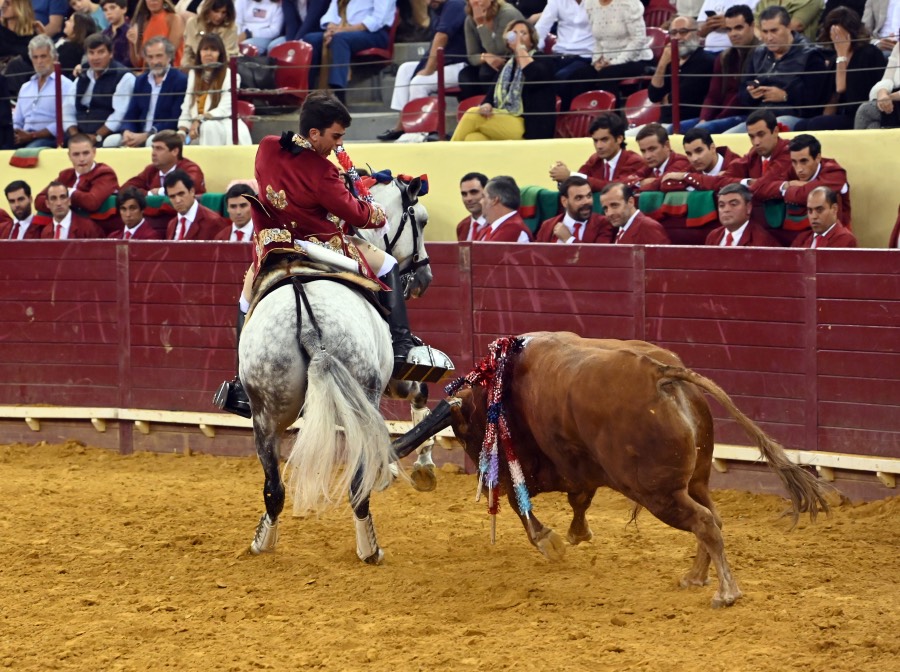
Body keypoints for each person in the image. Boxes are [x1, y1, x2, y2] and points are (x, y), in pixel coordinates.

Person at [216, 91, 424, 417]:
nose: (339, 144)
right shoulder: (322, 171)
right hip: (318, 244)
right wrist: (377, 212)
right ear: (315, 133)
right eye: (336, 136)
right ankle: (401, 346)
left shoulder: (267, 147)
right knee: (388, 264)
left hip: (273, 246)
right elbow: (357, 215)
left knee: (245, 302)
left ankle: (241, 385)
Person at [451, 18, 556, 140]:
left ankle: (446, 151)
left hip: (529, 127)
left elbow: (533, 74)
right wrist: (487, 105)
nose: (518, 37)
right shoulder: (507, 67)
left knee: (472, 115)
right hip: (504, 119)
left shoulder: (543, 60)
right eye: (514, 33)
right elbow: (490, 96)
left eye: (523, 33)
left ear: (532, 41)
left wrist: (520, 48)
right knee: (473, 138)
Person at [378, 0, 468, 142]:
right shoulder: (437, 8)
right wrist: (424, 67)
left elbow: (441, 37)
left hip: (461, 65)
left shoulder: (455, 4)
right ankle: (402, 125)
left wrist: (428, 69)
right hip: (444, 64)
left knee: (419, 82)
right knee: (405, 70)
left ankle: (419, 131)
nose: (428, 1)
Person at [732, 5, 829, 132]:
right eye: (765, 32)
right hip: (758, 116)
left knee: (766, 130)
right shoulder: (757, 53)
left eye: (774, 31)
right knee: (721, 136)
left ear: (788, 27)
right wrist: (751, 94)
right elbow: (742, 94)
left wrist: (785, 96)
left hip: (794, 116)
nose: (769, 37)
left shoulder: (810, 55)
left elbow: (816, 99)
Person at [794, 7, 886, 131]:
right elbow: (832, 97)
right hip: (841, 113)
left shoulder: (868, 53)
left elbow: (841, 87)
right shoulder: (834, 58)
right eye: (833, 34)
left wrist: (842, 55)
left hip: (859, 114)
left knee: (815, 125)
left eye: (840, 34)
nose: (837, 38)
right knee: (801, 126)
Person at [685, 5, 760, 133]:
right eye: (729, 29)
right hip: (719, 116)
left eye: (739, 28)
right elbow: (713, 95)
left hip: (745, 115)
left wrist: (713, 120)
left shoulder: (761, 54)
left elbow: (741, 99)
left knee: (701, 131)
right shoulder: (723, 57)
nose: (733, 34)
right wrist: (704, 119)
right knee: (672, 129)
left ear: (752, 26)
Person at [303, 0, 395, 102]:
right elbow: (331, 14)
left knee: (340, 39)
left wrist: (344, 30)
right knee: (311, 39)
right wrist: (331, 30)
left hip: (374, 33)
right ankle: (307, 93)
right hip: (343, 31)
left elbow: (378, 20)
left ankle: (338, 95)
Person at [111, 37, 188, 147]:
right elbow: (131, 114)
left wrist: (147, 135)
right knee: (111, 141)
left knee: (151, 141)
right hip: (139, 133)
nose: (155, 62)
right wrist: (127, 131)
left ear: (169, 56)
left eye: (159, 56)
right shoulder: (141, 81)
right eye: (150, 57)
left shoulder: (180, 80)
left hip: (164, 135)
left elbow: (175, 119)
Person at [177, 33, 251, 145]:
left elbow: (224, 109)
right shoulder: (193, 74)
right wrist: (182, 131)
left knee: (208, 126)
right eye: (205, 49)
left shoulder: (231, 76)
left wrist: (200, 119)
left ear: (220, 54)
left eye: (213, 50)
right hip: (197, 129)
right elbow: (187, 106)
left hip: (223, 126)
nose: (208, 53)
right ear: (199, 53)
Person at [580, 0, 653, 106]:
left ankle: (614, 114)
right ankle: (581, 114)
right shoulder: (590, 4)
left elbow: (638, 39)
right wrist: (597, 61)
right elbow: (598, 40)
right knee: (579, 75)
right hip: (606, 61)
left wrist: (615, 62)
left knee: (606, 75)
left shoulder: (629, 3)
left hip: (636, 58)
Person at [647, 16, 715, 129]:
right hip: (663, 123)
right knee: (628, 135)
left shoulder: (705, 61)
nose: (677, 37)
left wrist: (666, 98)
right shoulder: (669, 60)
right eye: (673, 33)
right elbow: (654, 96)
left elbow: (681, 97)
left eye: (683, 32)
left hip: (688, 123)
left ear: (697, 33)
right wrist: (662, 63)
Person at [549, 112, 645, 192]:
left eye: (604, 140)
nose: (599, 146)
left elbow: (615, 188)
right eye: (595, 141)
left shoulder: (634, 161)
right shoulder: (595, 159)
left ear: (619, 139)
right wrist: (563, 180)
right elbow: (578, 185)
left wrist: (570, 176)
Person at [12, 35, 77, 148]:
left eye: (43, 56)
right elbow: (17, 120)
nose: (39, 61)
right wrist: (15, 133)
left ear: (54, 58)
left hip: (49, 139)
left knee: (30, 150)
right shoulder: (25, 87)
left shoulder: (66, 85)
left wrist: (32, 136)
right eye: (35, 57)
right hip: (23, 138)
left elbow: (64, 121)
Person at [73, 33, 136, 147]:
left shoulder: (124, 76)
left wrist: (97, 136)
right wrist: (75, 136)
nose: (95, 57)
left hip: (105, 135)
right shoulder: (82, 74)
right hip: (79, 135)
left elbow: (119, 114)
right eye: (91, 53)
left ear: (111, 53)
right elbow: (67, 109)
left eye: (101, 52)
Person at [533, 0, 595, 111]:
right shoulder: (557, 1)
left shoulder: (597, 2)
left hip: (585, 56)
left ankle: (561, 116)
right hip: (559, 54)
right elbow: (541, 27)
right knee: (536, 72)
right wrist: (534, 51)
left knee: (561, 78)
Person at [34, 134, 119, 215]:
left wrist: (66, 193)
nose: (81, 159)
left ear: (94, 152)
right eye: (76, 154)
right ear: (69, 156)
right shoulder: (65, 175)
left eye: (86, 153)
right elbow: (39, 201)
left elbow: (92, 202)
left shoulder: (105, 173)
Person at [779, 132, 851, 228]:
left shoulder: (835, 172)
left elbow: (803, 195)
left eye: (804, 161)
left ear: (817, 158)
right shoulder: (791, 167)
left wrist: (788, 188)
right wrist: (786, 185)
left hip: (833, 233)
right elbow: (766, 186)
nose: (799, 169)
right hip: (801, 231)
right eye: (794, 162)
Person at [457, 0, 524, 100]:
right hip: (489, 62)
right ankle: (477, 107)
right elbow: (472, 56)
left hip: (514, 59)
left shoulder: (507, 14)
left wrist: (481, 25)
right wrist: (485, 57)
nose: (477, 1)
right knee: (465, 77)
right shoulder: (470, 20)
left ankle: (494, 104)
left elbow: (499, 50)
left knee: (486, 73)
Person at [122, 129, 207, 195]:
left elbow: (188, 186)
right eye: (153, 148)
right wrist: (149, 193)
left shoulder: (190, 168)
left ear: (175, 151)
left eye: (159, 148)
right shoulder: (151, 169)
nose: (153, 153)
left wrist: (159, 192)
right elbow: (125, 189)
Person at [660, 126, 740, 192]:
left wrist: (687, 178)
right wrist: (693, 179)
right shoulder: (692, 169)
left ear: (712, 148)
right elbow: (665, 185)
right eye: (689, 154)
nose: (694, 159)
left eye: (699, 151)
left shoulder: (735, 164)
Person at [535, 175, 613, 243]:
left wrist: (569, 239)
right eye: (579, 198)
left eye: (589, 196)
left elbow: (599, 254)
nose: (586, 202)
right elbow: (536, 254)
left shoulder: (604, 224)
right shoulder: (548, 226)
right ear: (564, 201)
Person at [704, 183, 780, 246]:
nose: (726, 210)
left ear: (748, 208)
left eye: (733, 204)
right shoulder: (713, 236)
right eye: (721, 205)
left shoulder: (762, 241)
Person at [623, 123, 691, 193]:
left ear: (667, 145)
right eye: (643, 151)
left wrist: (634, 189)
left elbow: (662, 184)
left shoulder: (681, 162)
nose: (647, 156)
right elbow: (625, 182)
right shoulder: (650, 166)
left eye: (652, 149)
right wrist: (641, 183)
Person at [163, 169, 227, 239]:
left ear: (192, 191)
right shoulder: (171, 224)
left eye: (181, 194)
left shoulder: (214, 222)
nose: (177, 200)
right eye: (172, 196)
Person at [600, 182, 671, 244]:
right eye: (605, 208)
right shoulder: (620, 230)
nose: (609, 213)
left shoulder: (648, 228)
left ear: (630, 202)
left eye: (614, 205)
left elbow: (664, 255)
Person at [791, 185, 857, 247]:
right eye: (810, 210)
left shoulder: (845, 239)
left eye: (819, 210)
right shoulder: (802, 238)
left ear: (834, 209)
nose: (814, 216)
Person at [855, 41, 900, 129]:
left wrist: (890, 97)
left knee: (866, 110)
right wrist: (882, 94)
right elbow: (887, 78)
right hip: (894, 100)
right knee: (872, 125)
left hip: (896, 99)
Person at [128, 0, 185, 68]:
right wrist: (132, 43)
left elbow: (170, 52)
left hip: (171, 70)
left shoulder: (174, 19)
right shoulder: (144, 24)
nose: (153, 1)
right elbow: (138, 64)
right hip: (148, 72)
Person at [40, 181, 106, 238]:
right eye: (53, 198)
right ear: (47, 204)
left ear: (69, 201)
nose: (59, 203)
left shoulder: (89, 228)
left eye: (62, 197)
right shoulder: (45, 232)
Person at [476, 175, 532, 241]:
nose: (480, 202)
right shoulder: (487, 228)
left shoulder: (514, 230)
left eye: (483, 197)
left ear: (494, 200)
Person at [183, 0, 238, 65]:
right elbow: (188, 52)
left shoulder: (231, 28)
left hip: (221, 67)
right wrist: (187, 68)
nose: (219, 16)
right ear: (207, 9)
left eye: (224, 12)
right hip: (195, 66)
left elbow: (228, 56)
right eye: (216, 11)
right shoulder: (193, 24)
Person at [696, 0, 760, 54]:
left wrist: (729, 22)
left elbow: (760, 29)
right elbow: (699, 32)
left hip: (738, 51)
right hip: (708, 51)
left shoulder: (756, 2)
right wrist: (711, 25)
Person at [754, 0, 824, 41]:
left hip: (799, 52)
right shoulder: (765, 1)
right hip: (765, 51)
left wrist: (764, 35)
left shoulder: (810, 1)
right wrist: (765, 39)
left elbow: (796, 26)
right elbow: (755, 26)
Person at [456, 171, 489, 240]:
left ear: (487, 192)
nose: (468, 198)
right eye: (464, 194)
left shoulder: (499, 224)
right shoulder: (462, 226)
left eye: (474, 192)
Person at [101, 0, 132, 67]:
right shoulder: (103, 34)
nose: (108, 13)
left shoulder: (130, 32)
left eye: (112, 8)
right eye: (105, 10)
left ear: (124, 9)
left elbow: (130, 60)